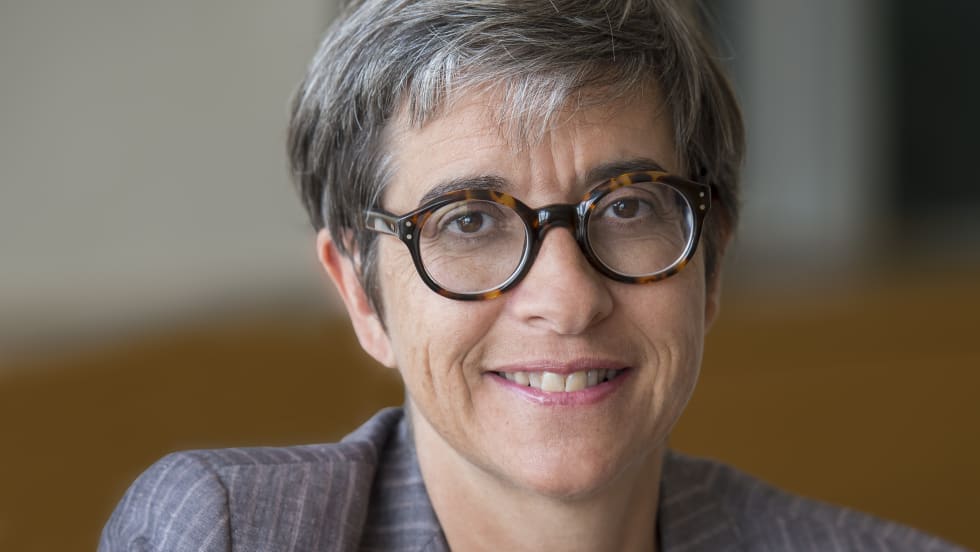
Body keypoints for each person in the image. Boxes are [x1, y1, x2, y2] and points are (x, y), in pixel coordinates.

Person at [100, 1, 964, 550]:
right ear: (360, 292)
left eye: (628, 206)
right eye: (468, 220)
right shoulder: (232, 532)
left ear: (713, 262)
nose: (568, 299)